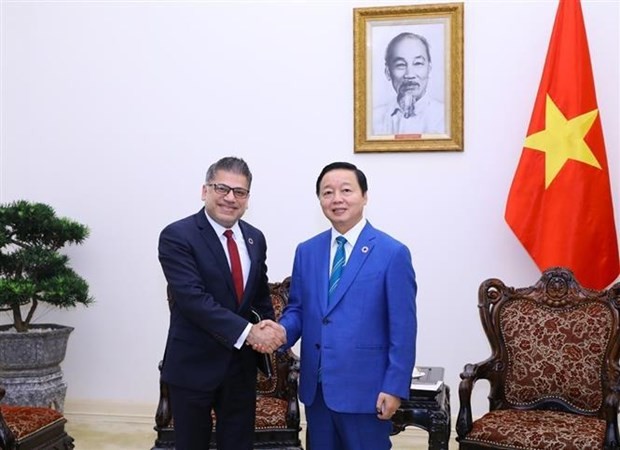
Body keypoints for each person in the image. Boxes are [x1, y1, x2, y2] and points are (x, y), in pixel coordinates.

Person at [276, 161, 417, 450]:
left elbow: (403, 329)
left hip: (366, 391)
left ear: (364, 196)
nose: (336, 199)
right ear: (320, 201)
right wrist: (279, 333)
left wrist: (394, 386)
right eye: (327, 192)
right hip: (318, 390)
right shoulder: (307, 251)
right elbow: (298, 310)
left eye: (346, 190)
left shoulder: (392, 253)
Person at [158, 156, 285, 450]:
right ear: (205, 191)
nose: (230, 198)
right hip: (193, 367)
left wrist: (268, 327)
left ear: (248, 198)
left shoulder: (255, 238)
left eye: (239, 192)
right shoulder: (178, 236)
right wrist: (250, 333)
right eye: (222, 188)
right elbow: (193, 300)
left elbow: (259, 296)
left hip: (240, 368)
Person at [373, 32, 445, 136]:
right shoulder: (372, 120)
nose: (409, 74)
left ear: (429, 69)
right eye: (401, 65)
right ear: (388, 72)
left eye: (418, 63)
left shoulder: (446, 118)